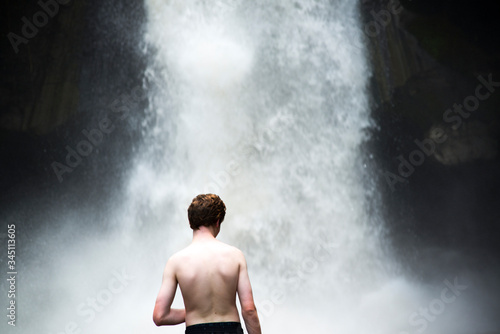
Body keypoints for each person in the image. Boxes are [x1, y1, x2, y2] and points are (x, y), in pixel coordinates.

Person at [153, 194, 262, 334]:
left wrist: (194, 312)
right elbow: (249, 310)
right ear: (217, 222)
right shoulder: (235, 256)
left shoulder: (175, 262)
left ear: (190, 222)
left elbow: (159, 316)